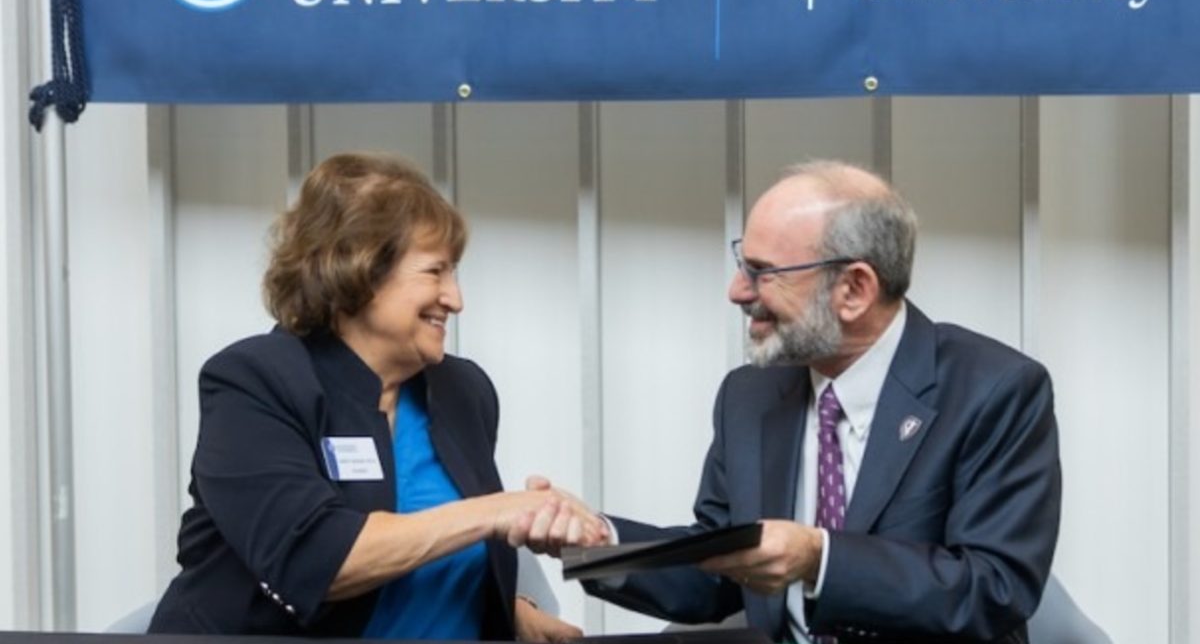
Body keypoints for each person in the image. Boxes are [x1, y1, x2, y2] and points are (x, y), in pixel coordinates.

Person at [579, 160, 1061, 643]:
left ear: (854, 289)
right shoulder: (749, 395)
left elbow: (993, 590)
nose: (737, 291)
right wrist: (595, 542)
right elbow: (719, 572)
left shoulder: (995, 390)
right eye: (742, 265)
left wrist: (819, 558)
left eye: (763, 272)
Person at [149, 152, 605, 641]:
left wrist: (514, 612)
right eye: (435, 272)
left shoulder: (463, 392)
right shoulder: (254, 382)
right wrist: (497, 509)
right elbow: (317, 562)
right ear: (360, 272)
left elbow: (442, 553)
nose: (455, 299)